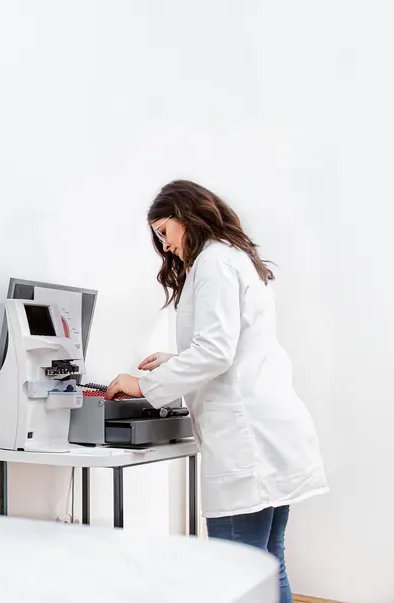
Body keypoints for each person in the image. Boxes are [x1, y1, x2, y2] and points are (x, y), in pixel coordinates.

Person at [104, 180, 328, 603]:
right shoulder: (236, 258)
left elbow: (215, 352)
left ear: (186, 216)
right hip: (269, 434)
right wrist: (174, 361)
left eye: (164, 232)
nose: (165, 246)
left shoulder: (213, 263)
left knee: (237, 572)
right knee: (266, 562)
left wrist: (143, 384)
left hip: (248, 445)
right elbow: (233, 346)